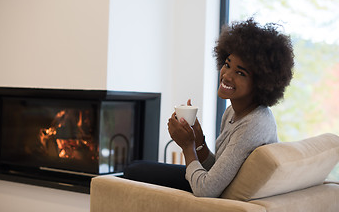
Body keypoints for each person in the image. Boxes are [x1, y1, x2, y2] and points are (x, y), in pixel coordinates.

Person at [124, 18, 294, 197]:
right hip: (218, 189)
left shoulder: (254, 123)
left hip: (218, 198)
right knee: (135, 169)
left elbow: (207, 189)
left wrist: (187, 146)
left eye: (240, 73)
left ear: (261, 83)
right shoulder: (233, 112)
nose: (227, 75)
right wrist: (198, 139)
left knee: (134, 172)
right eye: (227, 65)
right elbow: (217, 170)